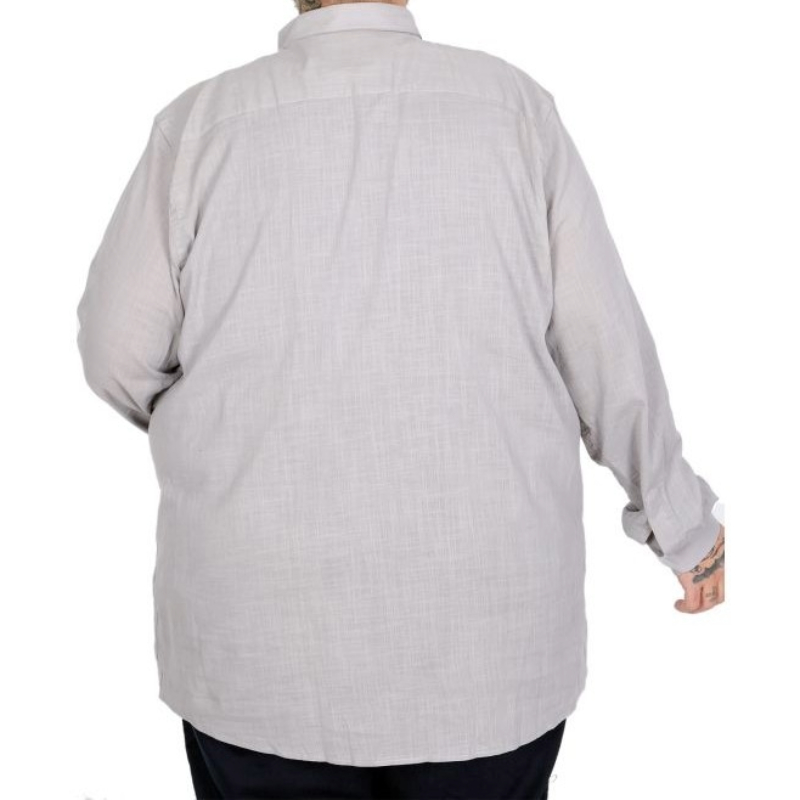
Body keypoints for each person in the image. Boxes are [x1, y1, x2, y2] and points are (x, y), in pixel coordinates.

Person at [75, 0, 726, 797]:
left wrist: (220, 420)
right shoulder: (512, 110)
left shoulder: (200, 125)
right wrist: (684, 528)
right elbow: (604, 345)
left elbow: (115, 348)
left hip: (258, 649)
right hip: (489, 653)